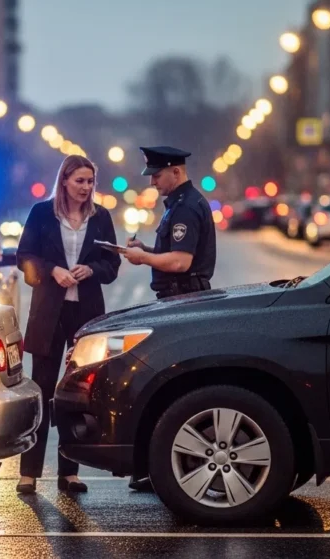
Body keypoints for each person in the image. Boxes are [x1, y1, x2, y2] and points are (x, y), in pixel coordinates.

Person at [15, 155, 121, 495]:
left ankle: (69, 473)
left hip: (85, 315)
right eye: (80, 181)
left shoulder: (100, 216)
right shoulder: (42, 213)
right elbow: (24, 257)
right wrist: (52, 271)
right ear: (64, 181)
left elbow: (112, 263)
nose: (86, 188)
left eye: (90, 181)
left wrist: (92, 270)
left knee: (78, 394)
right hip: (49, 314)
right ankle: (28, 473)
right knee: (43, 392)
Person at [122, 145, 217, 491]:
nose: (154, 183)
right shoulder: (179, 205)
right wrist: (145, 251)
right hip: (180, 296)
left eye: (158, 176)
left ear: (176, 172)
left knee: (171, 384)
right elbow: (171, 255)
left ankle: (169, 468)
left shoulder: (186, 207)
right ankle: (161, 466)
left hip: (183, 298)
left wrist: (145, 259)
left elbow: (180, 263)